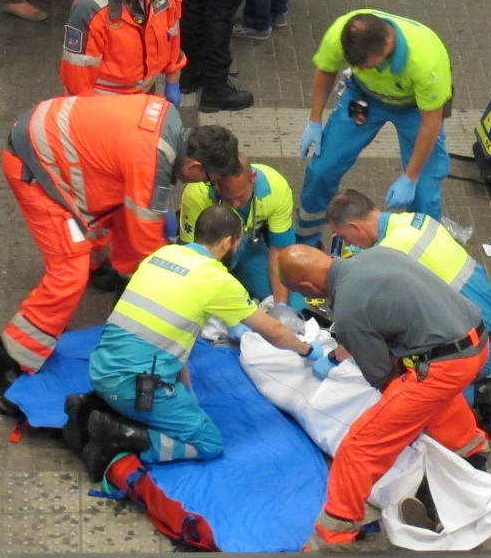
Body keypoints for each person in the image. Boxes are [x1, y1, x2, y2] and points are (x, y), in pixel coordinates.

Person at [0, 94, 241, 388]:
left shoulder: (167, 119)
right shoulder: (149, 160)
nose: (205, 185)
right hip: (35, 169)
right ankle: (10, 358)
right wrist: (170, 288)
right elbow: (146, 242)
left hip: (48, 139)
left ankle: (115, 276)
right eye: (208, 179)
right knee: (69, 273)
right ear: (194, 165)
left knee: (119, 214)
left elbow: (135, 218)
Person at [77, 205, 317, 481]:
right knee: (208, 444)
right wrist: (308, 350)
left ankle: (93, 407)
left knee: (150, 395)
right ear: (228, 242)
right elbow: (273, 330)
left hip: (101, 368)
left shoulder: (163, 254)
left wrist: (186, 388)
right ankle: (121, 435)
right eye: (238, 243)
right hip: (133, 385)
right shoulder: (216, 279)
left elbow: (176, 335)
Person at [277, 244, 489, 552]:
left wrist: (394, 423)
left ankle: (333, 538)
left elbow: (381, 376)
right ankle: (472, 457)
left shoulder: (348, 310)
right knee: (433, 400)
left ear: (309, 288)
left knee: (359, 448)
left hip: (444, 364)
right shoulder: (378, 254)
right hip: (476, 341)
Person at [325, 189, 491, 436]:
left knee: (414, 390)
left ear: (355, 226)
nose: (347, 244)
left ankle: (487, 393)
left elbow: (373, 326)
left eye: (344, 237)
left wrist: (339, 353)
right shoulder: (415, 221)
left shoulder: (388, 258)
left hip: (482, 346)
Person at [294, 10, 452, 246]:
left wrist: (410, 176)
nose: (362, 70)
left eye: (367, 66)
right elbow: (326, 70)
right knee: (321, 171)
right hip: (363, 95)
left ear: (387, 45)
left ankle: (424, 257)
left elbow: (430, 124)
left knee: (424, 195)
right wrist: (314, 120)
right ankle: (306, 241)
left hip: (415, 108)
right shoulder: (341, 33)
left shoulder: (425, 60)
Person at [60, 0, 185, 105]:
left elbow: (172, 31)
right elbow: (77, 74)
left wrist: (173, 79)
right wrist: (86, 115)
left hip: (146, 94)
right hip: (105, 103)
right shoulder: (89, 7)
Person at [179, 153, 304, 309]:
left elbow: (279, 251)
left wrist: (281, 305)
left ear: (253, 177)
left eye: (241, 196)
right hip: (207, 255)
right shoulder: (196, 194)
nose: (236, 204)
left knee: (296, 305)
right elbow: (189, 255)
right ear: (214, 183)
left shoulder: (276, 188)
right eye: (228, 198)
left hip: (248, 248)